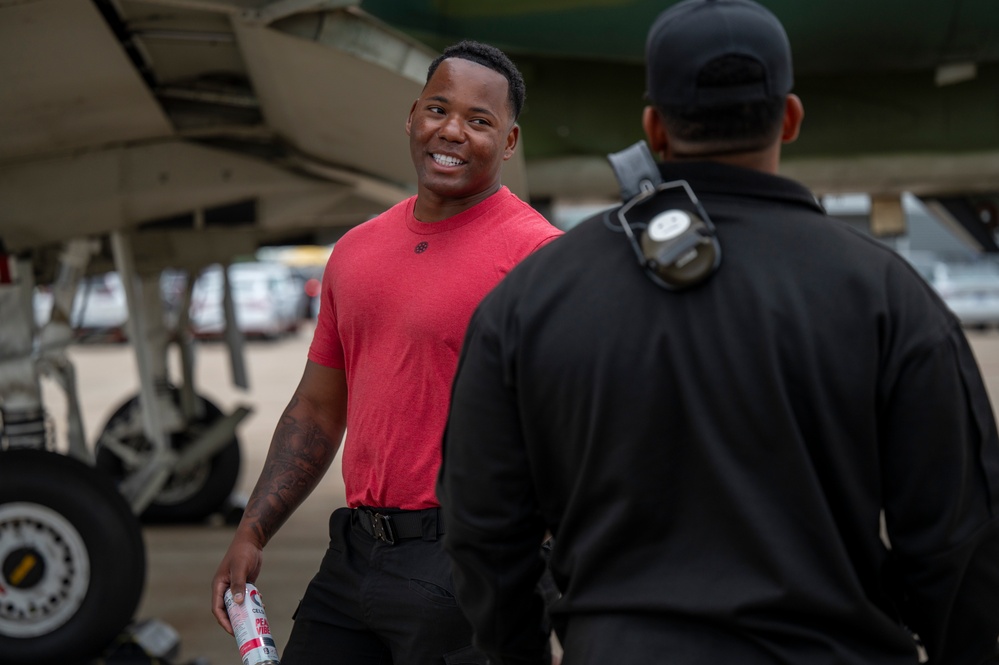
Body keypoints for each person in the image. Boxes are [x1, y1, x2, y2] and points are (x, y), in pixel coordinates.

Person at [436, 1, 999, 664]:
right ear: (789, 117)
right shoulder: (890, 296)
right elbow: (957, 542)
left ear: (653, 127)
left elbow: (481, 528)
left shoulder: (527, 302)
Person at [211, 39, 562, 664]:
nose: (452, 131)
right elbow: (319, 409)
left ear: (508, 143)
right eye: (438, 109)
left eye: (480, 121)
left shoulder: (537, 260)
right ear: (412, 116)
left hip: (467, 564)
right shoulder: (356, 250)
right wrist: (252, 529)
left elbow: (575, 425)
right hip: (356, 552)